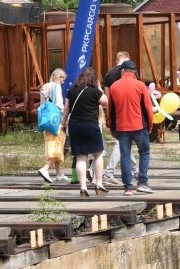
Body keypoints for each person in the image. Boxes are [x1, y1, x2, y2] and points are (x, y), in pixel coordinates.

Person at [107, 60, 154, 196]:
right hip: (139, 126)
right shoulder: (140, 86)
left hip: (122, 127)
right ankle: (142, 183)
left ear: (122, 71)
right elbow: (147, 108)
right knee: (144, 153)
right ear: (134, 72)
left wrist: (111, 126)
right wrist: (150, 125)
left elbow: (111, 109)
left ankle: (128, 188)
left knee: (125, 156)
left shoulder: (114, 86)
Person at [63, 67, 108, 196]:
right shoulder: (94, 91)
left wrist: (63, 123)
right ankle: (98, 184)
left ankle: (83, 187)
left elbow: (66, 109)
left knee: (80, 157)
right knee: (98, 154)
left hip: (75, 126)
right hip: (90, 125)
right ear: (94, 79)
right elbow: (106, 102)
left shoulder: (72, 90)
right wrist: (99, 87)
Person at [102, 51, 138, 186]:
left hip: (115, 110)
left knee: (124, 142)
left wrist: (108, 114)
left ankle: (136, 170)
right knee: (121, 143)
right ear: (127, 59)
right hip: (129, 110)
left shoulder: (108, 74)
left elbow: (107, 97)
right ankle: (109, 172)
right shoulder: (130, 71)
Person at [38, 68, 68, 183]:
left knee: (52, 145)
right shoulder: (56, 87)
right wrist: (64, 119)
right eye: (62, 78)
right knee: (57, 147)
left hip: (46, 121)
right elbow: (59, 105)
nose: (63, 81)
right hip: (56, 121)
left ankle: (59, 173)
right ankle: (45, 169)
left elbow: (42, 104)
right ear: (56, 76)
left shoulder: (46, 86)